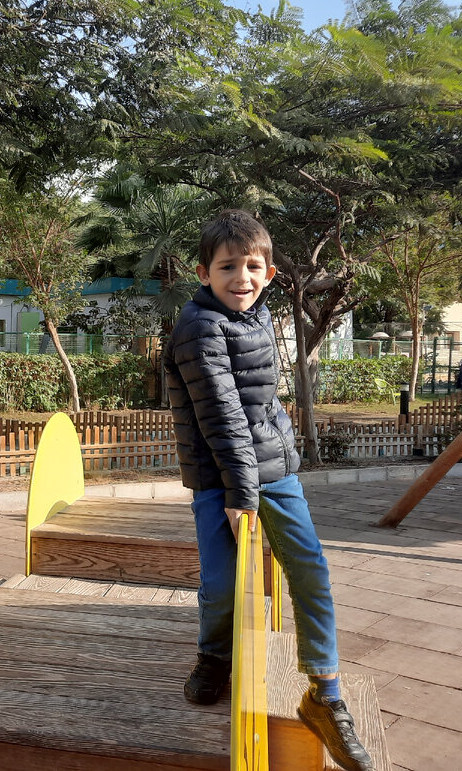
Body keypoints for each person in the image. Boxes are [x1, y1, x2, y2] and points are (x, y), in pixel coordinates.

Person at [164, 210, 373, 771]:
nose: (241, 278)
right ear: (204, 272)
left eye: (252, 266)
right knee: (222, 584)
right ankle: (213, 656)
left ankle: (325, 694)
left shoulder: (257, 318)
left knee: (310, 570)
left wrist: (279, 450)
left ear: (271, 273)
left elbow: (261, 400)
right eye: (227, 267)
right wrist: (240, 494)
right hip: (220, 479)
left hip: (273, 471)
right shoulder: (197, 325)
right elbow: (222, 415)